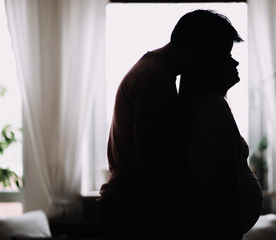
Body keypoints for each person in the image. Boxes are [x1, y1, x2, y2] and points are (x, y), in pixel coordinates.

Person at [98, 9, 243, 239]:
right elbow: (153, 166)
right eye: (219, 57)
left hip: (132, 208)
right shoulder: (153, 79)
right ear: (200, 50)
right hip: (132, 213)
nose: (220, 64)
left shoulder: (157, 73)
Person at [179, 50, 263, 239]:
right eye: (226, 57)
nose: (236, 63)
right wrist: (222, 209)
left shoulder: (213, 104)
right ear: (208, 67)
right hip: (218, 225)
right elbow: (199, 162)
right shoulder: (209, 105)